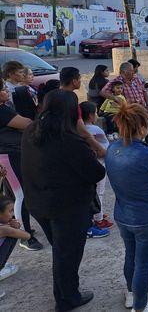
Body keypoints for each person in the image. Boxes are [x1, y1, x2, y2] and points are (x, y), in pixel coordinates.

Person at [21, 89, 105, 312]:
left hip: (38, 203)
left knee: (60, 251)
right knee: (67, 254)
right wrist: (86, 136)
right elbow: (96, 172)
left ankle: (65, 292)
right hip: (67, 208)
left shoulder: (31, 131)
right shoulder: (70, 141)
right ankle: (67, 298)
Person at [106, 102, 148, 312]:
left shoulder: (113, 148)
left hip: (123, 213)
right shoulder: (147, 154)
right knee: (143, 264)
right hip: (147, 216)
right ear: (142, 127)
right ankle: (141, 307)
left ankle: (131, 294)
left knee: (131, 255)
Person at [0, 78, 41, 251]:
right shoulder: (2, 111)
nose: (7, 90)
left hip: (11, 154)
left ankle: (17, 226)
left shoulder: (4, 108)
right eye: (2, 88)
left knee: (14, 194)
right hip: (8, 156)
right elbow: (27, 124)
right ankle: (25, 236)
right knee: (21, 195)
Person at [101, 62, 148, 148]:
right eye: (131, 70)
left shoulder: (136, 79)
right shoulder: (116, 81)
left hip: (142, 107)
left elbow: (144, 92)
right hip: (130, 110)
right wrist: (115, 98)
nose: (133, 72)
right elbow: (103, 92)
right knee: (134, 131)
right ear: (125, 72)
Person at [80, 101, 113, 233]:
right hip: (98, 164)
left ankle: (95, 213)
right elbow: (105, 148)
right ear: (90, 115)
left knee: (90, 191)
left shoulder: (78, 129)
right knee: (99, 191)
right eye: (95, 112)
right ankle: (99, 219)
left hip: (85, 164)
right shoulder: (96, 130)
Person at [60, 67, 106, 158]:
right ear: (74, 81)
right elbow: (82, 131)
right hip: (69, 140)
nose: (81, 82)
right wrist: (101, 149)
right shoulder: (71, 98)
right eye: (79, 79)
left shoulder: (53, 95)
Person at [0, 192, 31, 298]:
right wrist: (14, 227)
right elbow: (27, 236)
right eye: (10, 211)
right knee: (13, 236)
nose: (13, 214)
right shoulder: (4, 229)